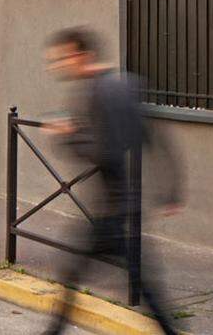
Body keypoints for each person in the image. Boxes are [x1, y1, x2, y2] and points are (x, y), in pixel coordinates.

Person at [42, 27, 182, 335]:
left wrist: (68, 136)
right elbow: (155, 138)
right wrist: (171, 190)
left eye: (63, 58)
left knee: (81, 276)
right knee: (140, 285)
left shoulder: (97, 93)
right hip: (123, 206)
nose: (59, 66)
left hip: (111, 211)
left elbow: (105, 153)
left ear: (82, 55)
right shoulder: (123, 86)